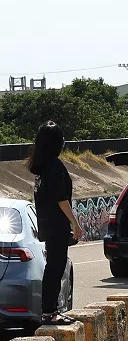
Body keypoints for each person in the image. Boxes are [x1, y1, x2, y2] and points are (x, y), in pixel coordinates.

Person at [28, 121, 82, 326]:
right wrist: (75, 223)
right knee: (56, 267)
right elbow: (61, 199)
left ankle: (49, 310)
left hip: (46, 224)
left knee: (54, 266)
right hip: (57, 225)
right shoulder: (55, 166)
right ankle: (49, 311)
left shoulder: (41, 166)